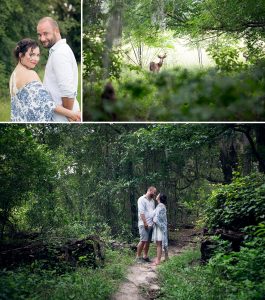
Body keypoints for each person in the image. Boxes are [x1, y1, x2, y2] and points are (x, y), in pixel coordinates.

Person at [9, 38, 81, 122]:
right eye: (31, 54)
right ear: (21, 55)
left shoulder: (13, 76)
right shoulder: (30, 74)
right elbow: (48, 103)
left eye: (38, 55)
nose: (36, 59)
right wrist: (72, 114)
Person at [37, 17, 80, 122]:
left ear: (56, 31)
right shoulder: (58, 51)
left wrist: (67, 115)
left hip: (62, 119)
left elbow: (68, 92)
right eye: (39, 35)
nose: (42, 38)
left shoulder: (60, 53)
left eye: (45, 33)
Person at [136, 186, 156, 263]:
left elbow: (153, 212)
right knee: (143, 240)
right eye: (154, 192)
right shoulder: (141, 199)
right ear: (149, 190)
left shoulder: (152, 201)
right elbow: (141, 212)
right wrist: (145, 223)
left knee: (148, 241)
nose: (154, 194)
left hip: (151, 224)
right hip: (143, 224)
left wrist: (153, 222)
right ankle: (138, 257)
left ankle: (145, 256)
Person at [152, 193, 169, 266]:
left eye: (158, 195)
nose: (157, 195)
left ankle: (158, 261)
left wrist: (154, 220)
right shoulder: (162, 206)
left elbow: (156, 218)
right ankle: (166, 257)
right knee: (163, 242)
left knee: (159, 244)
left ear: (159, 198)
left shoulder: (160, 206)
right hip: (162, 226)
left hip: (160, 227)